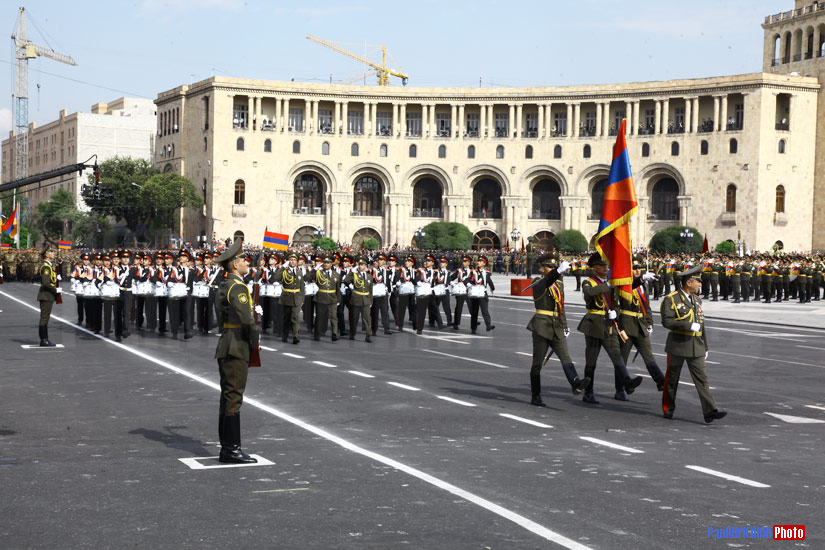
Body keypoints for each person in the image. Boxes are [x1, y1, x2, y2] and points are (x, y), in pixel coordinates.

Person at [660, 265, 726, 423]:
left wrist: (706, 347)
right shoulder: (672, 299)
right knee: (672, 379)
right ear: (689, 282)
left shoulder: (697, 300)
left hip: (696, 345)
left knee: (702, 379)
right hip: (678, 344)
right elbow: (666, 321)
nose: (700, 284)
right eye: (698, 282)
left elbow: (701, 324)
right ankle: (668, 408)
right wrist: (688, 326)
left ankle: (710, 411)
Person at [214, 238, 260, 463]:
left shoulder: (226, 284)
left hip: (228, 341)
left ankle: (227, 447)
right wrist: (255, 340)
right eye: (242, 259)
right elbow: (245, 319)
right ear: (234, 265)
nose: (246, 262)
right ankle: (231, 449)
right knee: (233, 397)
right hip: (236, 344)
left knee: (228, 396)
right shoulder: (237, 286)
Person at [577, 252, 643, 404]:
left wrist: (640, 280)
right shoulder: (589, 282)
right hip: (593, 325)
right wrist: (607, 285)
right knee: (591, 362)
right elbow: (590, 293)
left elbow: (626, 289)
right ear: (594, 268)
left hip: (609, 325)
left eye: (607, 265)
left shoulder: (611, 282)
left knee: (616, 355)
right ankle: (588, 392)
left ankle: (625, 384)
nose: (606, 268)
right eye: (602, 265)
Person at [526, 253, 590, 406]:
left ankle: (575, 382)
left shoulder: (559, 284)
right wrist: (558, 272)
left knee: (565, 356)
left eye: (554, 267)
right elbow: (547, 282)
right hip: (542, 325)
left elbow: (561, 306)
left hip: (556, 326)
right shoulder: (537, 282)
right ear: (542, 268)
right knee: (537, 363)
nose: (553, 269)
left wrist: (565, 326)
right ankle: (536, 395)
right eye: (550, 267)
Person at [617, 256, 665, 399]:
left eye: (639, 268)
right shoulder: (624, 283)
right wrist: (641, 279)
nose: (637, 271)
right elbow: (630, 286)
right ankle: (620, 389)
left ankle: (660, 381)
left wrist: (650, 323)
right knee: (622, 358)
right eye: (634, 268)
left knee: (648, 355)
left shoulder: (643, 285)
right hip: (626, 324)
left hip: (641, 325)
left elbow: (647, 306)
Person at [274, 251, 304, 344]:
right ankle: (285, 335)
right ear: (288, 261)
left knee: (295, 318)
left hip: (297, 298)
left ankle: (295, 336)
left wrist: (302, 299)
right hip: (286, 298)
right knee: (286, 318)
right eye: (291, 260)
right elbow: (276, 277)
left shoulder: (299, 272)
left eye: (295, 260)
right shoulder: (284, 271)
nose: (293, 261)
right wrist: (282, 267)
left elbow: (301, 286)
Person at [310, 255, 340, 341]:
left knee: (334, 317)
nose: (326, 264)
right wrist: (315, 268)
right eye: (325, 262)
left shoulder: (336, 274)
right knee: (320, 317)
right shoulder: (319, 273)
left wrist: (338, 299)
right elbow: (308, 277)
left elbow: (337, 288)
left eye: (328, 263)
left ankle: (334, 334)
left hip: (332, 298)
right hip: (321, 297)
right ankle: (317, 334)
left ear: (332, 264)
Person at [343, 256, 373, 342]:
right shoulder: (354, 274)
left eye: (362, 264)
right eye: (359, 264)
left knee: (367, 319)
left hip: (366, 299)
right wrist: (351, 272)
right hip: (356, 299)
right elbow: (346, 280)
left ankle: (368, 335)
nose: (360, 266)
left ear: (366, 265)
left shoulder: (369, 276)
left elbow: (370, 290)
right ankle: (352, 333)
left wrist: (371, 301)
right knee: (354, 318)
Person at [37, 246, 59, 347]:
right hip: (46, 295)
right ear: (46, 254)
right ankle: (44, 340)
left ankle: (44, 339)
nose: (53, 253)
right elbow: (46, 283)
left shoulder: (49, 266)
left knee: (45, 317)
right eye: (51, 251)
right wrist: (55, 290)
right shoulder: (46, 267)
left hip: (47, 295)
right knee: (44, 318)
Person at [468, 256, 495, 334]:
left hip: (483, 293)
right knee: (474, 311)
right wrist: (468, 283)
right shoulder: (474, 272)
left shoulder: (487, 273)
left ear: (484, 263)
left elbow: (489, 281)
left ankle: (488, 325)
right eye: (478, 261)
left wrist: (492, 288)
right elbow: (469, 279)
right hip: (475, 293)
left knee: (485, 310)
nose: (478, 262)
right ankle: (473, 328)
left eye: (480, 261)